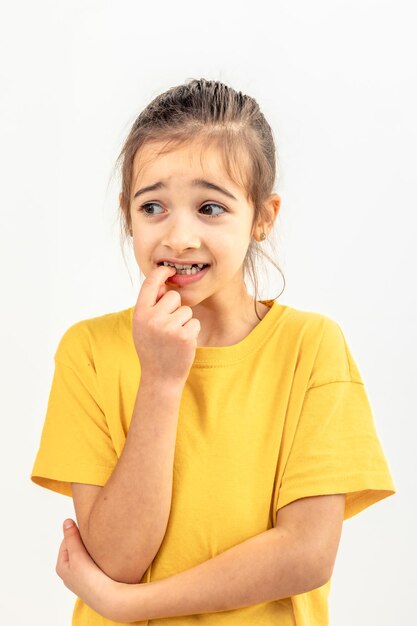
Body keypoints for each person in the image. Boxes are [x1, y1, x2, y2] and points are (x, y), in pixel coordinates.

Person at [31, 78, 396, 625]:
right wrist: (159, 379)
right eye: (152, 205)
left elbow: (306, 555)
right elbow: (115, 560)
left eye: (209, 207)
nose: (178, 236)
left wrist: (130, 606)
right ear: (127, 214)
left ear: (263, 217)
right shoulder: (89, 351)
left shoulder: (310, 348)